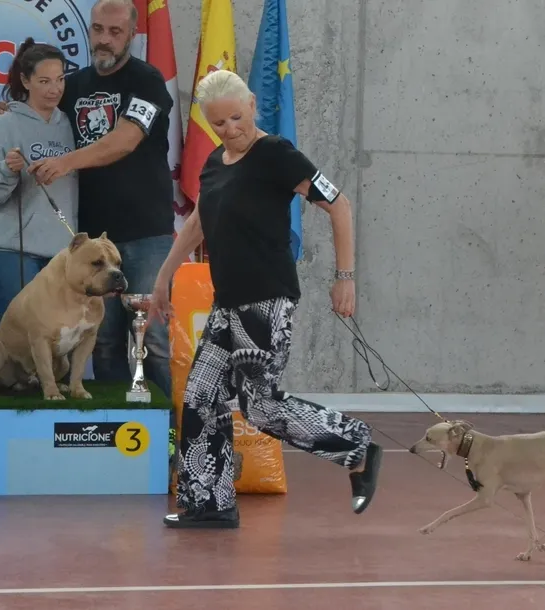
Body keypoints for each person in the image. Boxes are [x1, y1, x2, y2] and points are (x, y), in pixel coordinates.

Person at [146, 69, 382, 529]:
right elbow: (197, 222)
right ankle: (209, 504)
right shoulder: (214, 162)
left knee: (260, 406)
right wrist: (162, 279)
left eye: (237, 117)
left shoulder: (276, 154)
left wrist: (345, 277)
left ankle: (356, 446)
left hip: (266, 301)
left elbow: (339, 205)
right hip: (227, 303)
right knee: (199, 398)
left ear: (252, 104)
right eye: (219, 123)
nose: (230, 129)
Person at [0, 0, 175, 400]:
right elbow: (40, 112)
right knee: (101, 341)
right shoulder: (72, 85)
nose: (104, 39)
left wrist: (65, 162)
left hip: (146, 234)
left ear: (132, 34)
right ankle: (113, 426)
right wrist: (6, 114)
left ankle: (170, 427)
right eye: (98, 29)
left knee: (153, 338)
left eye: (115, 32)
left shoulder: (147, 81)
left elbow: (125, 140)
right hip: (90, 240)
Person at [0, 39, 77, 327]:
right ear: (25, 80)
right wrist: (7, 170)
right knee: (19, 336)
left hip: (59, 252)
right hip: (9, 249)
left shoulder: (71, 125)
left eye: (60, 80)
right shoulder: (3, 124)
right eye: (44, 81)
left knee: (53, 338)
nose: (54, 89)